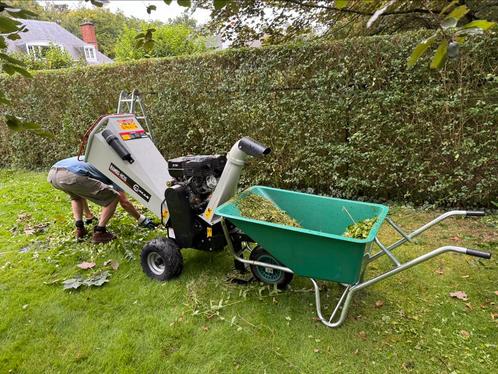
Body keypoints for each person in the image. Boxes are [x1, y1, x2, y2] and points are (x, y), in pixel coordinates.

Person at [47, 156, 155, 243]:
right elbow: (124, 202)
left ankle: (80, 229)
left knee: (76, 197)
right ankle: (100, 232)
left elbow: (82, 193)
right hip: (72, 175)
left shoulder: (102, 157)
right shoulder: (119, 170)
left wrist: (89, 215)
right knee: (114, 196)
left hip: (53, 173)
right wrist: (141, 219)